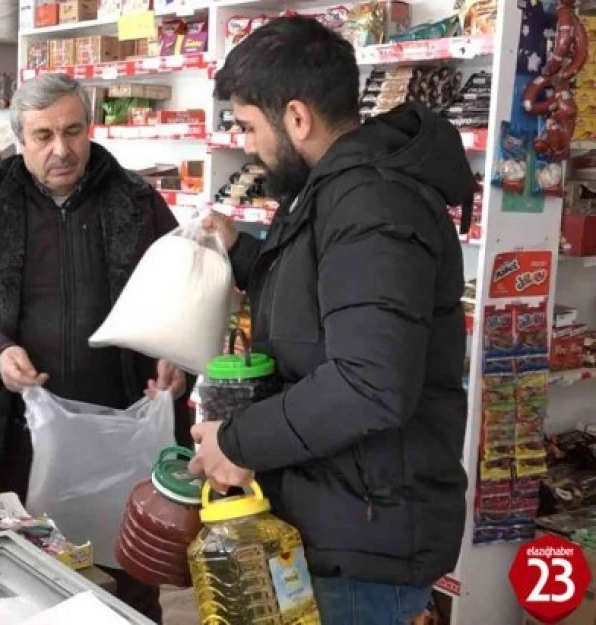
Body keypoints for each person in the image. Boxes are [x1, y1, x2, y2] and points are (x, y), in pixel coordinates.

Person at [188, 16, 472, 625]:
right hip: (339, 517)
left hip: (365, 543)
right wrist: (240, 253)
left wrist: (238, 443)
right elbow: (323, 304)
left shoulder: (372, 199)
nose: (244, 144)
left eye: (248, 126)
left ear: (296, 117)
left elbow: (370, 382)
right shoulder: (335, 192)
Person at [0, 73, 191, 623]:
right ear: (20, 140)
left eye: (73, 131)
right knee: (21, 577)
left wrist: (176, 356)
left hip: (123, 429)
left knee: (127, 579)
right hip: (20, 432)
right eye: (43, 135)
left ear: (90, 129)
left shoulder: (137, 204)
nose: (61, 149)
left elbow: (182, 294)